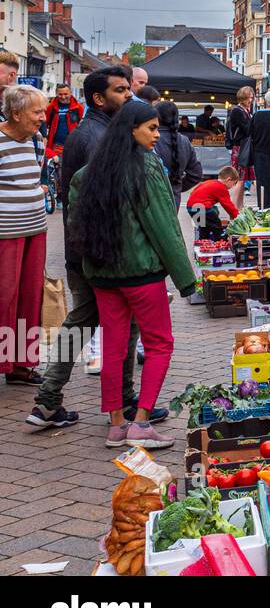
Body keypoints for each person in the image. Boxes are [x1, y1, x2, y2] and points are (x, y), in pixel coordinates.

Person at [30, 65, 155, 430]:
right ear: (99, 99)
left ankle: (52, 400)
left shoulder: (100, 133)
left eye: (128, 89)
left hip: (88, 247)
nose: (128, 95)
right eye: (120, 91)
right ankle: (67, 400)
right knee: (92, 323)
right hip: (99, 252)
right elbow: (105, 200)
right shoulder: (95, 138)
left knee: (85, 323)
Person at [68, 100, 195, 449]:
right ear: (131, 129)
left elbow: (73, 228)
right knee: (159, 345)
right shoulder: (145, 169)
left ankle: (116, 425)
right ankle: (141, 423)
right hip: (141, 274)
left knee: (113, 346)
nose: (157, 135)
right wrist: (186, 280)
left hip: (104, 276)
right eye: (151, 128)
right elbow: (164, 227)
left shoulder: (88, 173)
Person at [1, 85, 49, 390]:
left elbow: (38, 178)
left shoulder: (37, 141)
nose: (42, 118)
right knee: (4, 298)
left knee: (30, 299)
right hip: (5, 233)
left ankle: (21, 365)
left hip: (35, 230)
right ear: (15, 113)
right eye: (36, 112)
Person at [154, 101, 203, 210]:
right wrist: (177, 186)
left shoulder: (150, 139)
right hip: (174, 199)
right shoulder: (184, 141)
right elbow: (196, 174)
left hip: (152, 200)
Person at [187, 166, 241, 240]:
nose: (233, 187)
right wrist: (238, 218)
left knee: (204, 228)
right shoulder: (222, 188)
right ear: (229, 180)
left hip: (191, 207)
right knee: (216, 225)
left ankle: (203, 242)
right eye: (234, 183)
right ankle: (221, 240)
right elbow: (228, 206)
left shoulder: (210, 182)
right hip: (202, 208)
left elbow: (196, 193)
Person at [226, 85, 254, 206]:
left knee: (242, 180)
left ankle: (240, 207)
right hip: (240, 147)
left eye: (252, 98)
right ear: (243, 98)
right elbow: (247, 129)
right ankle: (234, 208)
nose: (251, 100)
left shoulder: (244, 110)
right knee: (239, 180)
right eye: (249, 98)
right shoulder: (237, 111)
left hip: (243, 147)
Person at [43, 84, 83, 161]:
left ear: (70, 93)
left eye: (65, 94)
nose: (63, 97)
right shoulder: (50, 107)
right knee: (58, 169)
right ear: (56, 94)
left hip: (74, 145)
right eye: (60, 94)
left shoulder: (78, 107)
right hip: (56, 146)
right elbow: (44, 124)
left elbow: (83, 125)